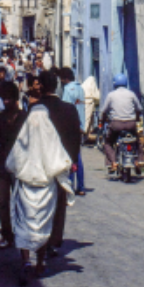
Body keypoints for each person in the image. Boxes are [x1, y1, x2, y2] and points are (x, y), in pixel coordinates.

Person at [6, 102, 75, 286]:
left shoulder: (24, 134)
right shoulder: (50, 134)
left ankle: (25, 261)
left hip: (25, 188)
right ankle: (40, 263)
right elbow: (61, 161)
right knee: (43, 225)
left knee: (24, 225)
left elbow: (11, 163)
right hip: (46, 189)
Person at [37, 71, 81, 255]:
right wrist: (72, 160)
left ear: (40, 86)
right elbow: (75, 137)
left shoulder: (36, 109)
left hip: (40, 163)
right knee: (59, 202)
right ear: (56, 86)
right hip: (62, 163)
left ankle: (42, 240)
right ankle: (54, 239)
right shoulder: (69, 109)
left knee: (41, 202)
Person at [0, 82, 28, 250]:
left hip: (20, 166)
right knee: (3, 202)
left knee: (21, 202)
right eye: (3, 98)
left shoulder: (24, 117)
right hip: (3, 166)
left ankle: (21, 234)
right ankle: (7, 235)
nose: (5, 101)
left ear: (15, 98)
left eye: (8, 98)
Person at [101, 74, 144, 173]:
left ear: (114, 83)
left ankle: (113, 163)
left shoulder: (111, 95)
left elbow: (104, 111)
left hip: (116, 125)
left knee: (108, 142)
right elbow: (139, 109)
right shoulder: (131, 94)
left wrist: (103, 121)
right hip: (131, 124)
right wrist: (137, 118)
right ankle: (139, 161)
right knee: (137, 141)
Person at [60, 68, 87, 196]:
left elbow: (65, 109)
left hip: (70, 126)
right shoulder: (80, 89)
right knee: (78, 156)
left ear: (65, 78)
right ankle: (81, 186)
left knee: (70, 156)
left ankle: (70, 185)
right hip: (80, 125)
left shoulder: (67, 89)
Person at [82, 76, 101, 140]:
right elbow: (96, 96)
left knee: (85, 119)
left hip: (82, 102)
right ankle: (85, 135)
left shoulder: (84, 85)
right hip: (89, 102)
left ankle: (85, 135)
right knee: (87, 120)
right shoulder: (92, 83)